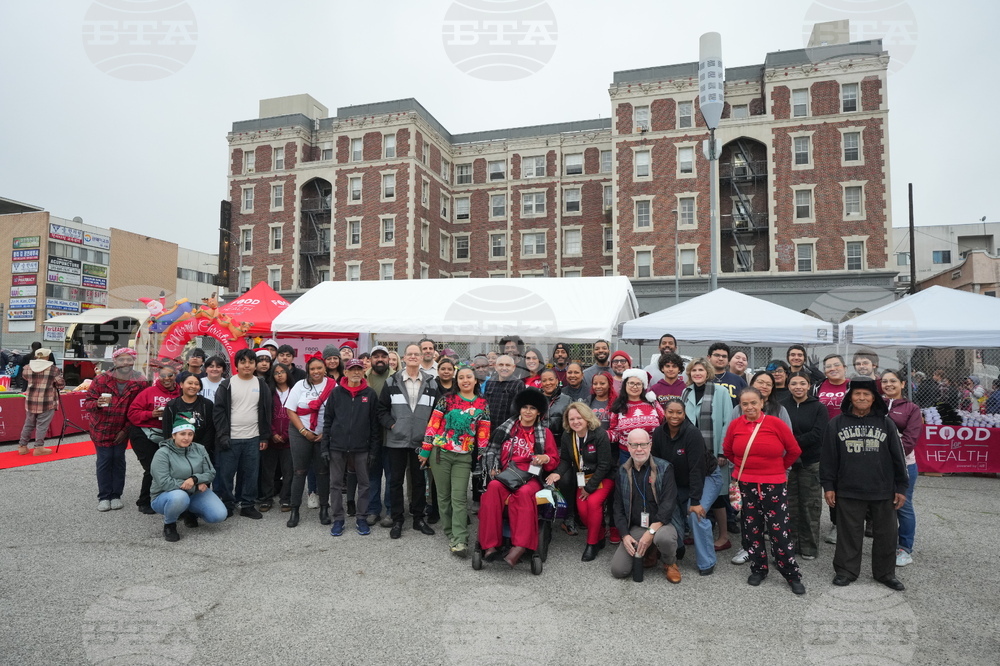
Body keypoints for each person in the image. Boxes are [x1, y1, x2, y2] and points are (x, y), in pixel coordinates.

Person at [821, 377, 908, 591]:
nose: (861, 398)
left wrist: (901, 487)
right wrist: (829, 486)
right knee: (848, 533)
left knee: (887, 535)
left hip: (882, 489)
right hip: (848, 489)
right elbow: (829, 458)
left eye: (866, 394)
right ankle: (846, 571)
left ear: (873, 398)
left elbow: (899, 457)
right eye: (857, 394)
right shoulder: (836, 423)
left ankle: (885, 573)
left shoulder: (886, 423)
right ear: (850, 397)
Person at [723, 387, 805, 595]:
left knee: (779, 531)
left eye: (753, 403)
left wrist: (778, 470)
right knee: (752, 528)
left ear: (762, 403)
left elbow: (794, 450)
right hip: (746, 484)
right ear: (740, 406)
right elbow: (728, 451)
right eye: (745, 404)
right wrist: (746, 468)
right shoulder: (735, 425)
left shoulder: (775, 423)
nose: (749, 407)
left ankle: (791, 573)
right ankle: (758, 568)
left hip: (774, 484)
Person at [478, 388, 559, 567]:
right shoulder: (506, 429)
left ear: (539, 412)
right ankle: (490, 545)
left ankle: (520, 546)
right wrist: (494, 467)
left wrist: (545, 458)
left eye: (532, 408)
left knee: (523, 494)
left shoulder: (544, 434)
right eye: (524, 407)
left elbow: (553, 460)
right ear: (519, 409)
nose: (528, 411)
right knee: (492, 489)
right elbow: (492, 451)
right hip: (506, 475)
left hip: (531, 477)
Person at [421, 366, 491, 556]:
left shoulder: (482, 404)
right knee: (443, 497)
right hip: (440, 454)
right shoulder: (447, 399)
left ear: (476, 381)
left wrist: (483, 457)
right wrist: (425, 451)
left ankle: (460, 539)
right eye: (461, 377)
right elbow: (433, 424)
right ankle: (451, 532)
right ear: (456, 380)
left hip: (463, 457)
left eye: (469, 377)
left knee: (458, 497)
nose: (465, 380)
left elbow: (483, 434)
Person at [651, 397, 721, 576]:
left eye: (679, 412)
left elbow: (697, 469)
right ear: (664, 413)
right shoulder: (658, 433)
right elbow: (657, 463)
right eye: (670, 412)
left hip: (706, 477)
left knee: (695, 515)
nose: (674, 416)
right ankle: (678, 547)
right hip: (677, 480)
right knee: (668, 508)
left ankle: (707, 562)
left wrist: (696, 501)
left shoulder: (692, 433)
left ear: (685, 414)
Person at [378, 343, 439, 539]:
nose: (413, 356)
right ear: (404, 358)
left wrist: (429, 434)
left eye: (417, 354)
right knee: (395, 481)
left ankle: (418, 518)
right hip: (396, 440)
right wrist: (392, 425)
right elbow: (381, 409)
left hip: (421, 442)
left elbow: (437, 413)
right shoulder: (391, 382)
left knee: (419, 481)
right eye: (410, 354)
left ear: (422, 358)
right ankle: (397, 520)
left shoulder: (432, 383)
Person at [610, 429, 681, 583]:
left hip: (662, 524)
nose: (639, 449)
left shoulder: (665, 468)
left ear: (650, 445)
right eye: (634, 445)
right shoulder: (622, 471)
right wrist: (625, 535)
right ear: (628, 447)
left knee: (665, 539)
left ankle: (670, 562)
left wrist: (650, 532)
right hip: (637, 526)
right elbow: (618, 507)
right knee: (618, 570)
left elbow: (668, 504)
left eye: (643, 444)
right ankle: (650, 550)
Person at [546, 402, 614, 561]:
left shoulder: (599, 434)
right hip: (583, 478)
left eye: (579, 418)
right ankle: (600, 533)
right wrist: (557, 474)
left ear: (587, 418)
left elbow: (605, 465)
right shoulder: (567, 435)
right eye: (572, 419)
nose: (576, 422)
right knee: (583, 513)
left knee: (592, 504)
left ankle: (591, 544)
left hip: (602, 478)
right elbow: (565, 460)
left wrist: (589, 489)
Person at [321, 358, 380, 537]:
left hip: (362, 448)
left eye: (359, 369)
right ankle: (338, 519)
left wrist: (373, 450)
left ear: (364, 372)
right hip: (337, 447)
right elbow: (328, 420)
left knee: (364, 484)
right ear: (345, 372)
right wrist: (325, 446)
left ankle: (361, 518)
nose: (356, 372)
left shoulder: (369, 394)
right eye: (352, 369)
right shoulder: (336, 393)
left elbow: (375, 425)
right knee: (336, 484)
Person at [84, 348, 148, 512]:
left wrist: (126, 430)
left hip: (123, 428)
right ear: (114, 361)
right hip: (101, 427)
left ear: (134, 361)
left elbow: (138, 408)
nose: (125, 363)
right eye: (121, 360)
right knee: (105, 460)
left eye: (129, 359)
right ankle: (104, 496)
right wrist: (96, 404)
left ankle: (116, 495)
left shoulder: (140, 380)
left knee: (118, 460)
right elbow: (88, 403)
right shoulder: (101, 379)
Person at [680, 357, 734, 552]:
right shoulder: (686, 392)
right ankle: (697, 534)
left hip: (714, 454)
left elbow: (727, 422)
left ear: (708, 372)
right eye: (694, 371)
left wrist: (722, 451)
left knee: (718, 497)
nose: (697, 374)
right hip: (691, 455)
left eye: (701, 370)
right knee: (694, 492)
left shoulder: (720, 392)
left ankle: (724, 536)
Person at [213, 348, 272, 520]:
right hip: (230, 438)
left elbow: (267, 411)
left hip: (253, 438)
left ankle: (247, 505)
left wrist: (264, 436)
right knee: (226, 474)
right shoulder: (227, 384)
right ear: (236, 364)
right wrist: (223, 435)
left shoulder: (261, 384)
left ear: (255, 365)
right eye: (243, 361)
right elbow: (218, 412)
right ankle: (227, 504)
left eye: (251, 362)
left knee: (250, 474)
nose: (247, 365)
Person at [150, 415, 227, 542]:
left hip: (194, 492)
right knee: (180, 497)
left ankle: (189, 511)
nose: (186, 438)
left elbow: (211, 472)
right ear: (174, 435)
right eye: (182, 434)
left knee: (218, 515)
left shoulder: (199, 449)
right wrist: (196, 486)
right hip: (165, 496)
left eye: (190, 434)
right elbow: (165, 482)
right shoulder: (162, 453)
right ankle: (169, 524)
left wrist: (195, 479)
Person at [780, 370, 829, 560]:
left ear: (809, 386)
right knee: (789, 504)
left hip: (811, 461)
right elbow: (780, 431)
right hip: (788, 463)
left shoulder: (819, 407)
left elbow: (819, 433)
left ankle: (809, 546)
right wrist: (789, 446)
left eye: (802, 383)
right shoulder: (782, 406)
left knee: (810, 505)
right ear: (788, 386)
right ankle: (790, 543)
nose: (798, 387)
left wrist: (793, 443)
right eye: (794, 384)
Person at [284, 354, 336, 528]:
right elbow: (291, 411)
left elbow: (336, 412)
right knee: (299, 471)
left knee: (322, 472)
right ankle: (294, 510)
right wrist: (303, 431)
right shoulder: (300, 385)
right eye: (312, 369)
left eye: (319, 368)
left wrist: (325, 433)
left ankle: (324, 509)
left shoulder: (332, 386)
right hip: (301, 432)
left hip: (323, 434)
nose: (316, 371)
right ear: (308, 370)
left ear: (325, 369)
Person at [881, 369, 922, 568]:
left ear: (902, 384)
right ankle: (885, 544)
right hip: (876, 467)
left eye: (893, 381)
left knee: (903, 506)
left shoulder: (911, 409)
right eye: (885, 381)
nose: (888, 384)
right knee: (880, 505)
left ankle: (905, 548)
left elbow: (910, 439)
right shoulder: (875, 404)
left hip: (904, 466)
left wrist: (890, 458)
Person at [127, 365, 181, 514]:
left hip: (167, 435)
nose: (166, 379)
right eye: (163, 376)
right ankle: (144, 501)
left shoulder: (180, 394)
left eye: (170, 375)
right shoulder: (148, 392)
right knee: (152, 468)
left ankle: (164, 497)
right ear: (158, 376)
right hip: (143, 434)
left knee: (169, 468)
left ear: (176, 375)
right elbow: (132, 414)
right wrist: (151, 414)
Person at [817, 354, 850, 545]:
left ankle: (851, 522)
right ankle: (836, 523)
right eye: (828, 366)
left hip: (848, 440)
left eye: (836, 365)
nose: (833, 368)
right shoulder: (818, 387)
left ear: (844, 367)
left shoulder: (852, 386)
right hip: (825, 442)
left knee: (848, 482)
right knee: (832, 483)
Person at [608, 368, 664, 465]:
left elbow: (664, 423)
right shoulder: (618, 406)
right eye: (631, 383)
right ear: (625, 384)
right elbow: (615, 432)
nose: (635, 387)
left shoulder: (653, 403)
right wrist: (601, 435)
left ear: (643, 386)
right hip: (626, 454)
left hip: (652, 452)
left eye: (638, 384)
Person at [17, 347, 65, 456]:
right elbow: (60, 384)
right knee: (42, 425)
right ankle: (38, 447)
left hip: (30, 400)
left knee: (28, 424)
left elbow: (25, 377)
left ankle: (22, 446)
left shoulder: (27, 368)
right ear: (47, 356)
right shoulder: (53, 369)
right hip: (46, 401)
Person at [364, 346, 393, 526]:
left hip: (391, 436)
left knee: (391, 476)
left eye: (384, 356)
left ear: (389, 359)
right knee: (372, 476)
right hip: (370, 437)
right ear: (371, 359)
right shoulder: (362, 377)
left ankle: (390, 510)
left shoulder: (397, 377)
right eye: (376, 356)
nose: (380, 359)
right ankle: (373, 510)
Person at [259, 363, 292, 512]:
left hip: (289, 440)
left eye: (282, 372)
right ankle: (266, 498)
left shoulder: (295, 391)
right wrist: (272, 433)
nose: (279, 375)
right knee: (268, 472)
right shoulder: (268, 392)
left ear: (287, 374)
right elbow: (265, 415)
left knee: (288, 471)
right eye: (276, 372)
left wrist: (285, 434)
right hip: (271, 439)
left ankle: (286, 499)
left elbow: (296, 415)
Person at [539, 368, 570, 442]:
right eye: (544, 381)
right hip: (540, 442)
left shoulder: (567, 400)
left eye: (551, 379)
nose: (548, 383)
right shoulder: (536, 399)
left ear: (556, 381)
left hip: (561, 443)